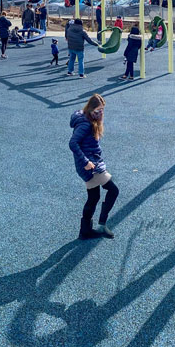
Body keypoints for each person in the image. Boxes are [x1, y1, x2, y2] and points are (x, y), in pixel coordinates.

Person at [69, 94, 118, 239]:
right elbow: (72, 143)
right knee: (113, 190)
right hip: (91, 166)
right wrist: (86, 162)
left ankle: (85, 231)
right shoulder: (85, 124)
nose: (100, 113)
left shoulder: (89, 119)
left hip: (90, 164)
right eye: (97, 110)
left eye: (102, 110)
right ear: (90, 109)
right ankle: (102, 224)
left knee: (94, 197)